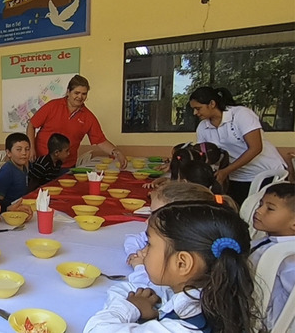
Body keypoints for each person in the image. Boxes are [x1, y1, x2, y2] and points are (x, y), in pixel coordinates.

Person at [85, 202, 264, 332]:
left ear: (182, 263)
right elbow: (126, 288)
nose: (143, 251)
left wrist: (132, 307)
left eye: (149, 244)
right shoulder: (212, 297)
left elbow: (96, 329)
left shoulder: (184, 327)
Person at [190, 86, 286, 205]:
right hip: (236, 177)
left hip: (265, 173)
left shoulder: (241, 114)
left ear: (212, 103)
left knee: (258, 214)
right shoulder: (203, 127)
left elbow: (255, 148)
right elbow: (204, 154)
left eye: (198, 108)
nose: (195, 113)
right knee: (237, 212)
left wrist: (226, 171)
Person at [26, 75, 127, 169]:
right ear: (68, 92)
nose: (80, 97)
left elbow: (100, 140)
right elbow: (31, 125)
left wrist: (116, 152)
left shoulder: (88, 117)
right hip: (40, 162)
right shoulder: (52, 106)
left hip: (65, 166)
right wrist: (31, 149)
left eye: (84, 94)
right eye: (76, 93)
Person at [250, 182, 295, 330]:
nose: (259, 211)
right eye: (260, 204)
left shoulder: (288, 256)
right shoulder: (267, 241)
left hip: (265, 323)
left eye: (270, 209)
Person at [0, 133, 30, 205]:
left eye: (27, 149)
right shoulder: (6, 172)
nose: (24, 153)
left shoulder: (24, 167)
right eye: (19, 149)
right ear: (8, 153)